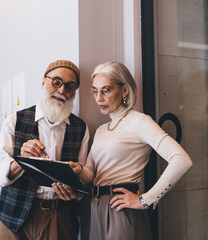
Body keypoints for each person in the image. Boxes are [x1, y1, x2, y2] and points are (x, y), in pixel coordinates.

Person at [78, 61, 193, 240]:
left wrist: (146, 200)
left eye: (105, 90)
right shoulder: (101, 130)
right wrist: (75, 169)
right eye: (95, 91)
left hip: (121, 209)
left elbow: (182, 160)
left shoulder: (139, 122)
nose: (98, 98)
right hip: (94, 208)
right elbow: (90, 173)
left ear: (124, 90)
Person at [0, 60, 89, 240]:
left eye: (70, 86)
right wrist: (20, 161)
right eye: (56, 82)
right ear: (43, 81)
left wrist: (76, 192)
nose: (61, 91)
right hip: (13, 216)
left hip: (59, 218)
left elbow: (83, 177)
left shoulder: (81, 128)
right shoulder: (14, 121)